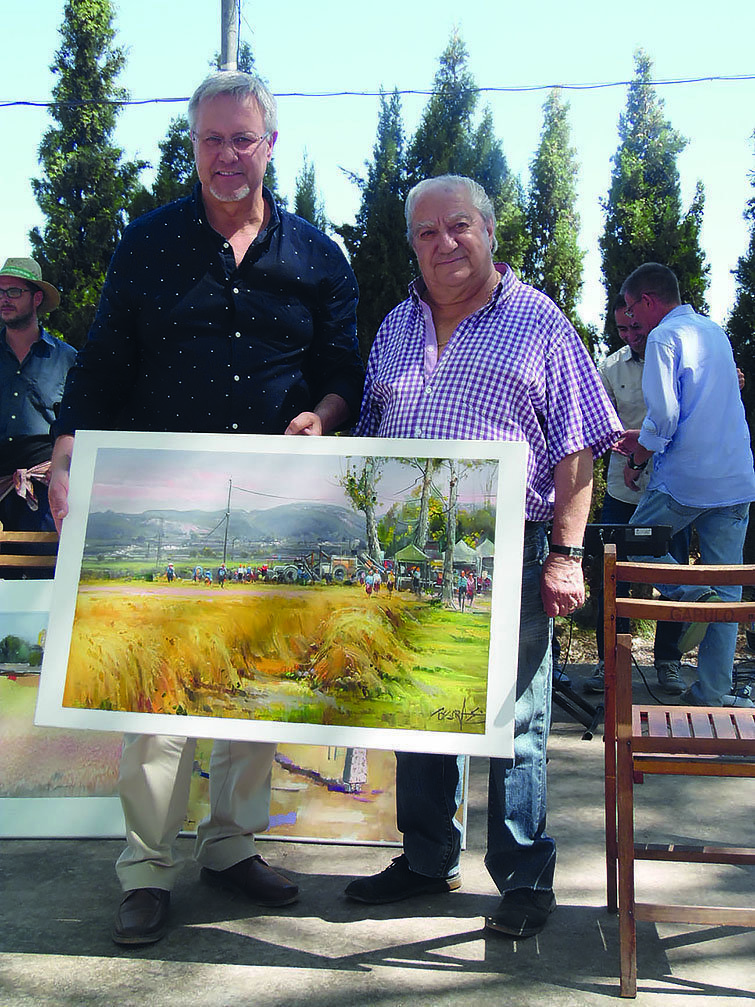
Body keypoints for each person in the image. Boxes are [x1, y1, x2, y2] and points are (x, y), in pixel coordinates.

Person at [47, 70, 364, 945]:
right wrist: (69, 447)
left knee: (252, 694)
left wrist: (326, 416)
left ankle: (230, 849)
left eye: (242, 139)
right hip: (164, 506)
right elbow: (105, 357)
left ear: (270, 144)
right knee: (156, 702)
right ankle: (147, 868)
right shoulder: (146, 244)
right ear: (193, 148)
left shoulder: (316, 256)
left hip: (273, 510)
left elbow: (346, 370)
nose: (227, 155)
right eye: (210, 140)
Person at [345, 174, 621, 938]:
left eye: (458, 226)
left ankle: (525, 878)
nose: (443, 244)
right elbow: (370, 438)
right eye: (426, 232)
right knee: (420, 705)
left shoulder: (537, 321)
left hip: (510, 543)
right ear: (412, 244)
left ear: (490, 231)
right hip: (409, 550)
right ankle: (428, 860)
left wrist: (565, 556)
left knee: (516, 717)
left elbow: (576, 451)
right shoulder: (395, 326)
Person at [618, 262, 755, 707]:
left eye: (633, 310)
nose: (632, 321)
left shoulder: (663, 337)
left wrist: (640, 452)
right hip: (735, 479)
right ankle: (714, 693)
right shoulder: (714, 331)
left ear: (648, 301)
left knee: (633, 543)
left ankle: (693, 591)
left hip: (685, 479)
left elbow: (667, 416)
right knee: (729, 594)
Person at [584, 295, 687, 696]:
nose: (630, 336)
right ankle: (608, 662)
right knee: (614, 579)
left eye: (636, 328)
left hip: (671, 491)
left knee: (671, 576)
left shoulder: (677, 357)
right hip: (622, 490)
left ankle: (668, 663)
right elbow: (597, 421)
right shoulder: (609, 366)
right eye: (622, 330)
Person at [0, 257, 75, 534]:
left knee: (41, 570)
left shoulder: (67, 359)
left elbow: (77, 425)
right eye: (0, 292)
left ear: (37, 298)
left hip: (46, 486)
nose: (5, 299)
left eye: (14, 291)